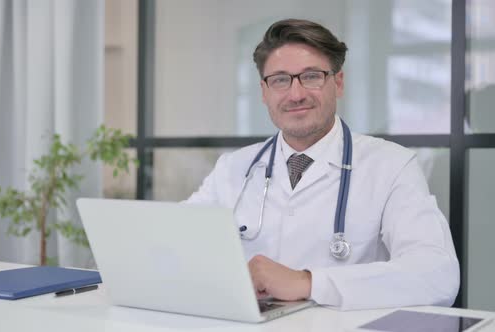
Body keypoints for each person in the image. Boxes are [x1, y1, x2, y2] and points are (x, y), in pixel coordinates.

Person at [186, 19, 459, 310]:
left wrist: (308, 282)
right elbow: (176, 242)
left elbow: (437, 274)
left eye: (312, 76)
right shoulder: (233, 168)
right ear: (264, 92)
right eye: (280, 80)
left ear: (337, 83)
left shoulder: (391, 165)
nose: (296, 94)